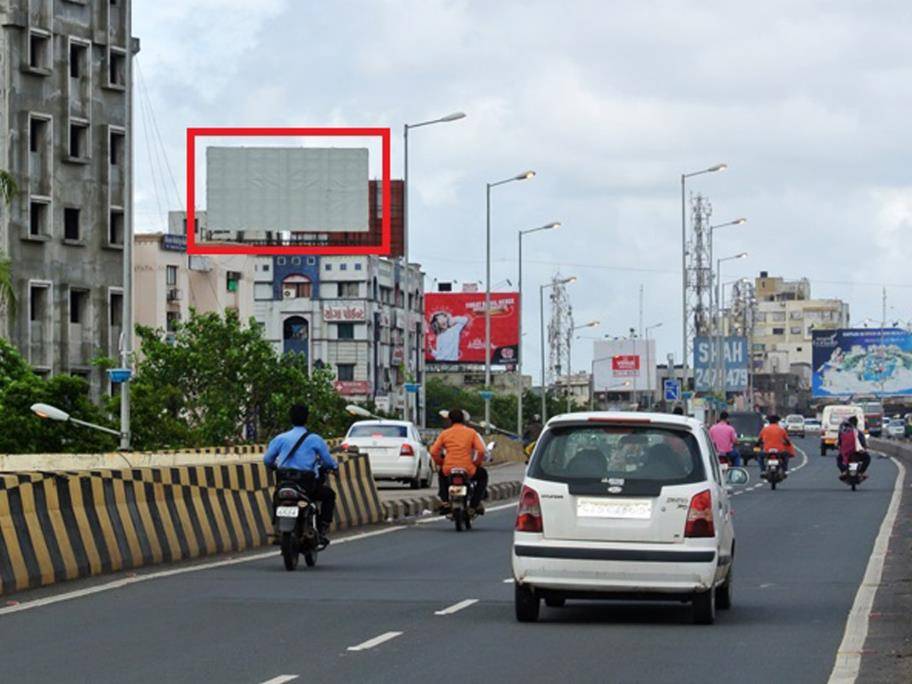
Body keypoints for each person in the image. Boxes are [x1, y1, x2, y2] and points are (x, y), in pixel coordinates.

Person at [263, 403, 339, 546]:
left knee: (277, 497)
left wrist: (275, 467)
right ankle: (322, 528)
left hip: (284, 483)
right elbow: (328, 461)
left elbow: (267, 460)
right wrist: (334, 467)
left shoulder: (280, 438)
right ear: (307, 418)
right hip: (307, 486)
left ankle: (276, 525)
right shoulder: (315, 439)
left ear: (290, 418)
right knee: (329, 495)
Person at [430, 408, 489, 514]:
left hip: (449, 468)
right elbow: (481, 450)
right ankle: (474, 505)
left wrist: (441, 463)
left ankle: (445, 502)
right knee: (483, 475)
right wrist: (476, 463)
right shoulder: (471, 433)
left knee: (442, 476)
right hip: (468, 468)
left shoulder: (445, 434)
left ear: (450, 420)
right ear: (463, 419)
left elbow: (433, 451)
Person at [837, 415, 871, 480]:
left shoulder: (844, 432)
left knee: (839, 459)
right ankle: (861, 472)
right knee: (867, 458)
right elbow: (863, 443)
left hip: (847, 453)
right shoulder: (859, 432)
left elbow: (840, 443)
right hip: (858, 452)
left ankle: (844, 471)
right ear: (856, 423)